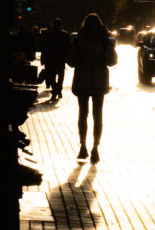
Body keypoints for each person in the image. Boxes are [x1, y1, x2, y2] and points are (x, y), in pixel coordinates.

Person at [68, 13, 117, 164]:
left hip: (91, 80)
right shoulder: (81, 40)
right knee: (88, 115)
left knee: (92, 115)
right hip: (92, 80)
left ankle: (93, 147)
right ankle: (85, 146)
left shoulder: (104, 41)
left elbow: (113, 60)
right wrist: (78, 59)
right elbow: (70, 60)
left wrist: (104, 58)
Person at [41, 17, 71, 102]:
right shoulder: (65, 35)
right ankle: (58, 90)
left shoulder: (47, 34)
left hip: (50, 59)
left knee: (51, 77)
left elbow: (44, 48)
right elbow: (68, 48)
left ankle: (55, 91)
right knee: (60, 77)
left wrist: (43, 59)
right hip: (60, 59)